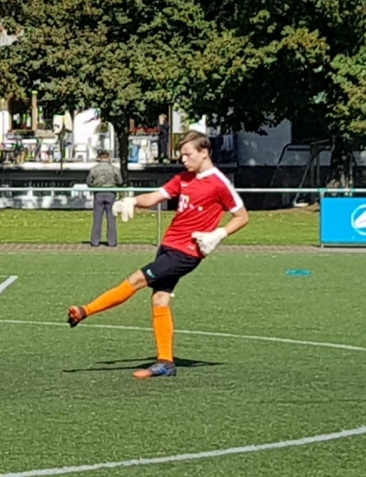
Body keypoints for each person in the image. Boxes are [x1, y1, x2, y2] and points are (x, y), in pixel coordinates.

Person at [67, 131, 249, 380]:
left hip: (186, 252)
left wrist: (218, 234)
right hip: (169, 246)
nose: (183, 159)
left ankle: (84, 311)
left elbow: (242, 216)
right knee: (160, 300)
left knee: (136, 280)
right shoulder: (183, 178)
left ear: (204, 153)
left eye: (188, 154)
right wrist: (132, 201)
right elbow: (156, 196)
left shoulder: (219, 183)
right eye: (181, 155)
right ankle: (165, 363)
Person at [86, 150, 122, 247]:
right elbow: (120, 181)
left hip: (98, 193)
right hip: (111, 193)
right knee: (111, 218)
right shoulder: (114, 169)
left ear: (100, 157)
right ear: (109, 157)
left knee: (97, 218)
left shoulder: (94, 169)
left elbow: (89, 182)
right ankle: (112, 241)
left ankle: (95, 241)